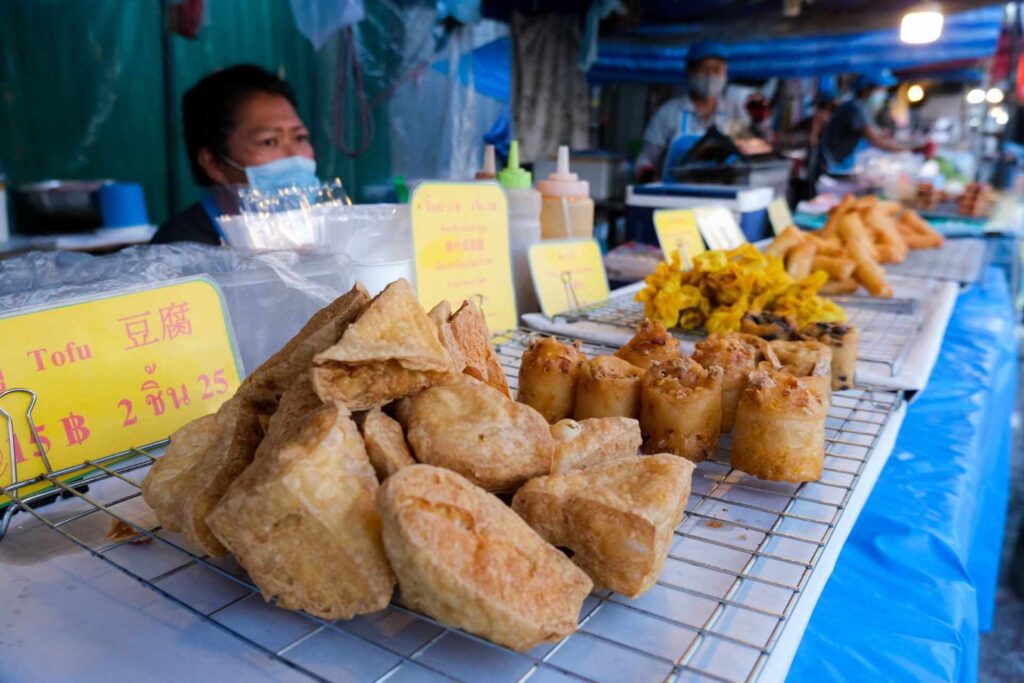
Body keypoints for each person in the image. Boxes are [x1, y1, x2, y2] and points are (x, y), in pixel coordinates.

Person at [152, 64, 318, 245]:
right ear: (214, 164)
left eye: (300, 138)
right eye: (269, 141)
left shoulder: (325, 226)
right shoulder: (180, 246)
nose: (294, 155)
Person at [635, 40, 749, 182]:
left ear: (725, 73)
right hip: (675, 199)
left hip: (722, 200)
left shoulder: (733, 113)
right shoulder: (668, 113)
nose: (710, 76)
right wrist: (650, 179)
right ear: (690, 72)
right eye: (704, 69)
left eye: (716, 70)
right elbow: (645, 160)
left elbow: (749, 155)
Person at [818, 70, 914, 178]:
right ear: (867, 89)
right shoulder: (856, 108)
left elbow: (873, 132)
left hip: (840, 163)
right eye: (881, 89)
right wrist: (909, 149)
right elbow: (874, 139)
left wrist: (884, 136)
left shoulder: (860, 106)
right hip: (832, 164)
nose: (883, 93)